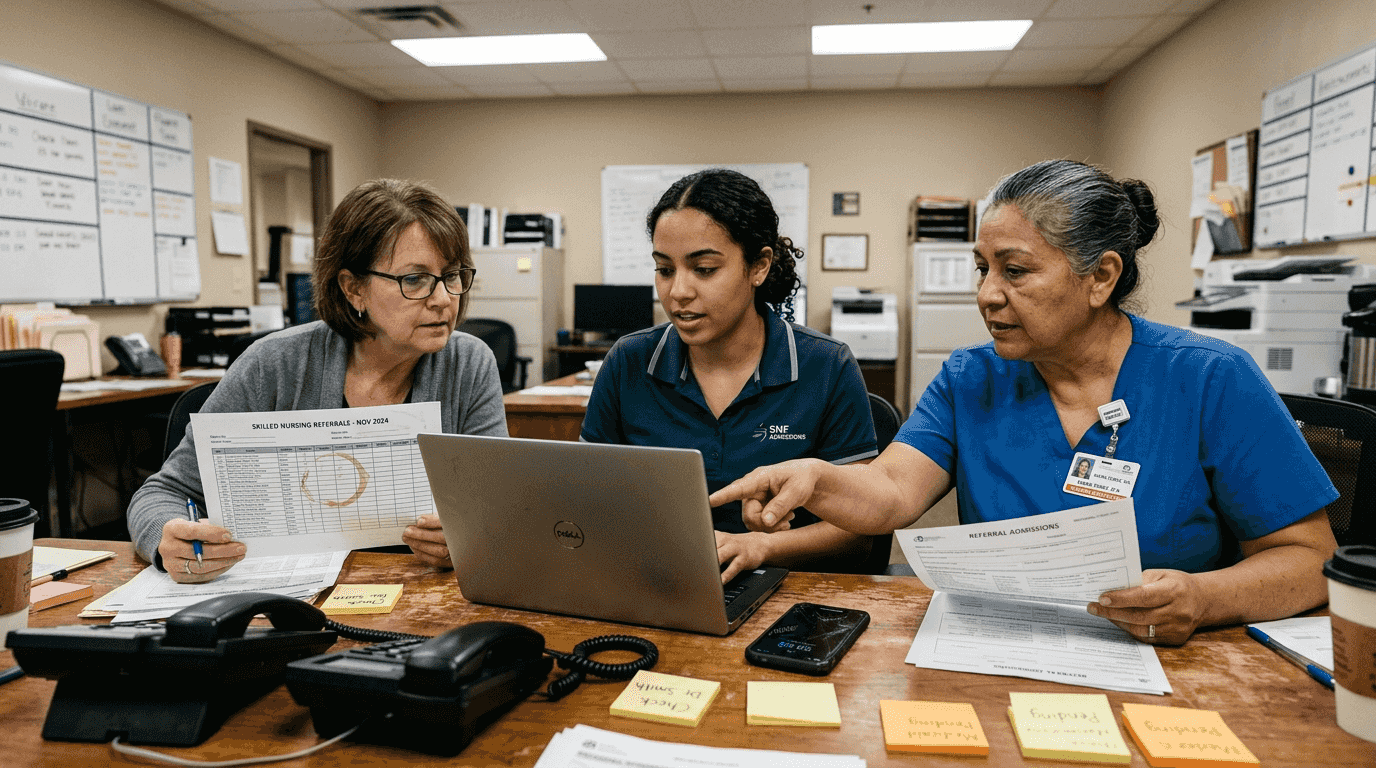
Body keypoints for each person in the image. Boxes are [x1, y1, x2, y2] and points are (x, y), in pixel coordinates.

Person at [712, 160, 1339, 645]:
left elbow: (1310, 561)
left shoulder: (1210, 378)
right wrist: (817, 479)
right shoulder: (970, 378)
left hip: (1167, 663)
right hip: (999, 649)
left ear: (1101, 277)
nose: (987, 294)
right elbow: (892, 493)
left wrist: (1203, 599)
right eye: (981, 268)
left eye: (1015, 271)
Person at [127, 179, 508, 582]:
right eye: (414, 279)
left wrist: (466, 539)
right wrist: (169, 541)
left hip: (420, 595)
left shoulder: (468, 364)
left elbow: (498, 508)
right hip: (287, 596)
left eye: (452, 275)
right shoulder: (273, 363)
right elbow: (159, 495)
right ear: (353, 288)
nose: (444, 298)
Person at [580, 168, 879, 583]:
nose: (678, 291)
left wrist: (762, 547)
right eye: (665, 270)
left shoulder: (826, 366)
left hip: (788, 591)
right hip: (656, 583)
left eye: (703, 269)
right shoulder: (629, 361)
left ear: (758, 266)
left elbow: (861, 530)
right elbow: (586, 499)